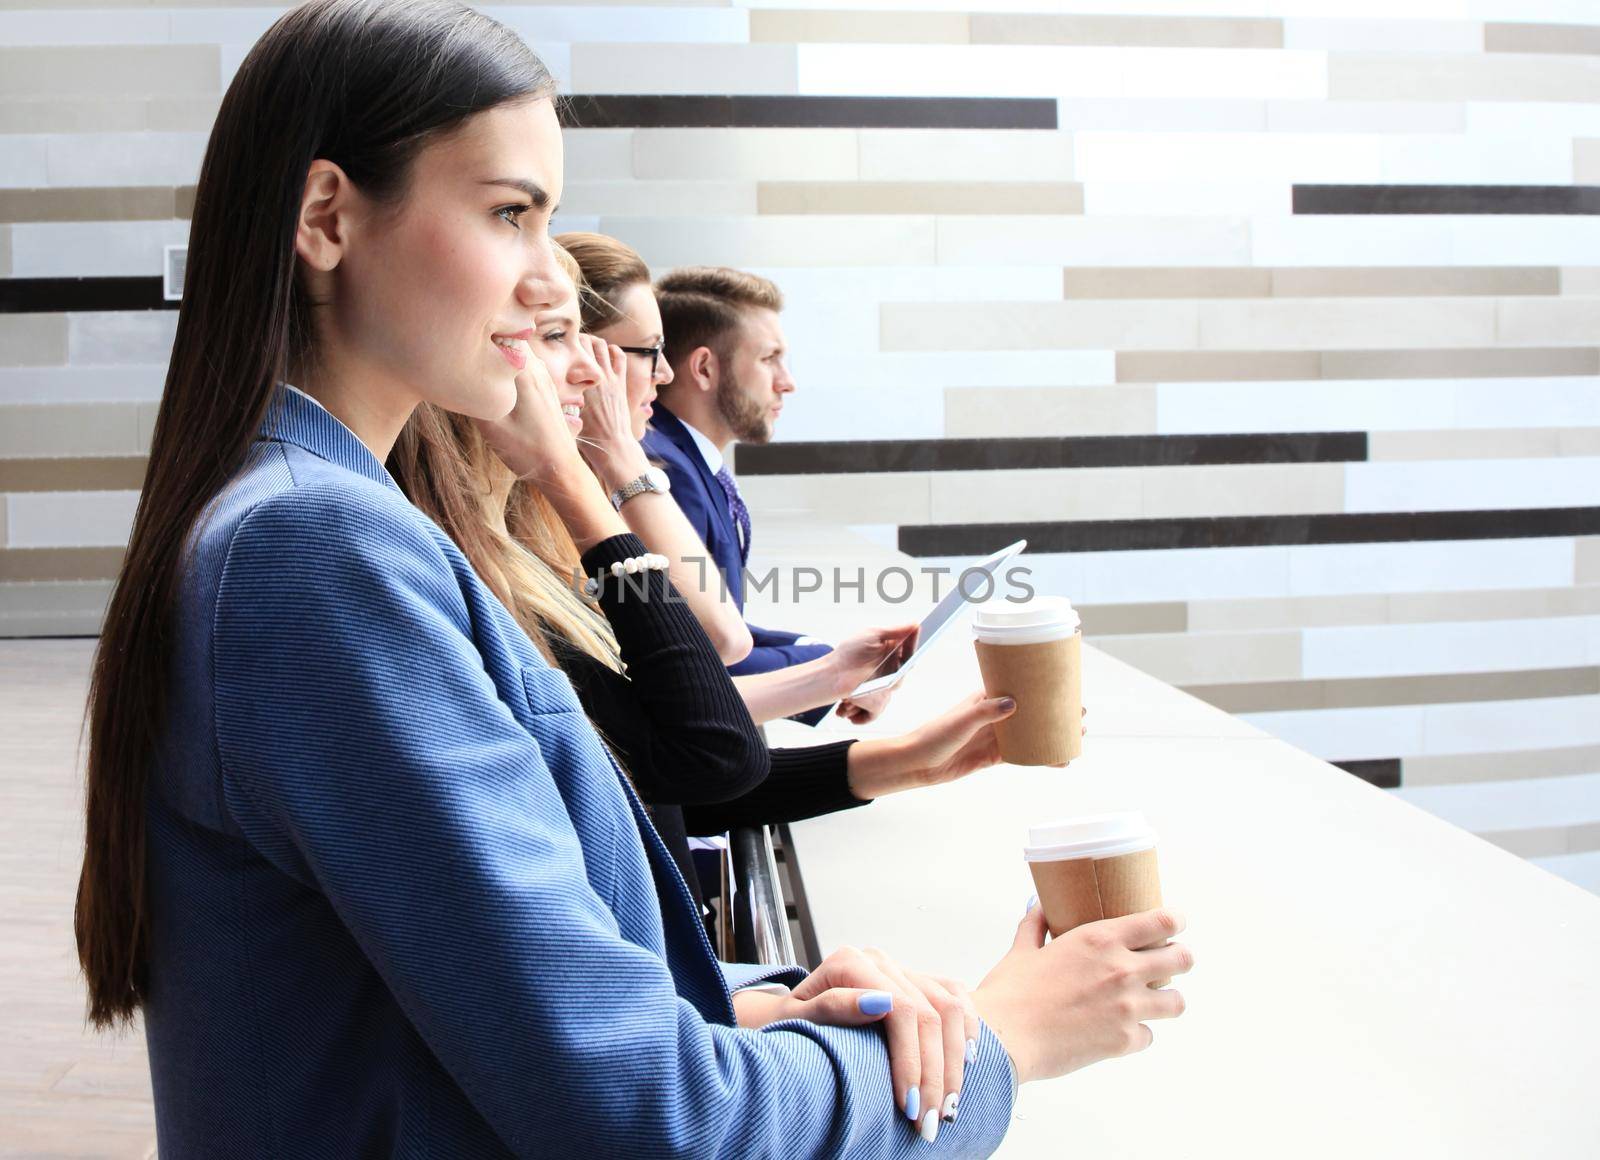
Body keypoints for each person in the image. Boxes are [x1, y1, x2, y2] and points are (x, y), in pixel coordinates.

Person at [74, 2, 1193, 1154]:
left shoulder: (314, 518)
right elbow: (647, 1116)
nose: (540, 277)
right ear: (327, 217)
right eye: (509, 213)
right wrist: (1004, 1038)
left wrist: (772, 1000)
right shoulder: (316, 551)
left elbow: (462, 990)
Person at [389, 242, 1040, 928]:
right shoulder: (526, 545)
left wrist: (901, 756)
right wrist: (594, 472)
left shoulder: (531, 549)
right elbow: (713, 696)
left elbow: (649, 771)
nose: (601, 373)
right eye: (557, 336)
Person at [560, 231, 908, 726]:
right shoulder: (654, 471)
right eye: (769, 358)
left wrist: (830, 659)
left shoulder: (679, 460)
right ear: (704, 367)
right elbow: (709, 644)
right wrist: (831, 671)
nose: (787, 381)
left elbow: (714, 633)